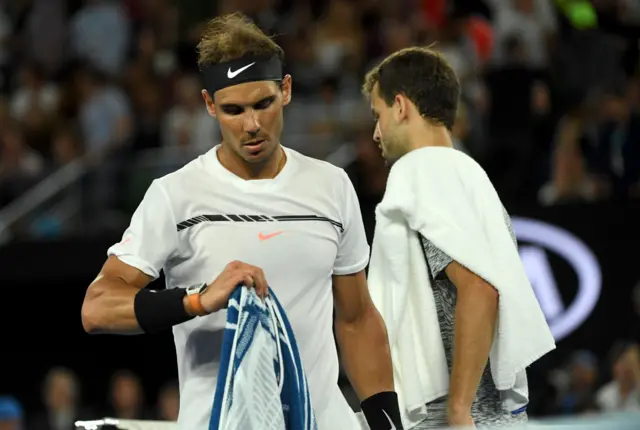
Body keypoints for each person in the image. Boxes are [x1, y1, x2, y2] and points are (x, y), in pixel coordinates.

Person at [80, 13, 403, 430]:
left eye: (262, 104)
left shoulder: (332, 186)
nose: (251, 125)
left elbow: (357, 319)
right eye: (233, 110)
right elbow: (97, 307)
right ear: (209, 104)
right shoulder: (175, 195)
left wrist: (387, 424)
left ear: (285, 90)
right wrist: (196, 300)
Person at [361, 46, 555, 429]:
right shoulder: (465, 172)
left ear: (400, 106)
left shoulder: (422, 170)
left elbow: (481, 289)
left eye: (377, 115)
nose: (375, 132)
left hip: (455, 417)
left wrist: (458, 411)